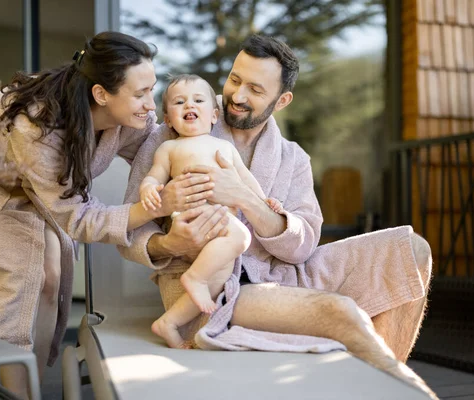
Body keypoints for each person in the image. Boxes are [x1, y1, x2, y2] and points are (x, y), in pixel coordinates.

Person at [119, 34, 436, 397]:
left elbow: (304, 243)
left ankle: (377, 388)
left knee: (412, 251)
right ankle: (404, 390)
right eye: (235, 80)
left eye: (255, 89)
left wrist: (248, 201)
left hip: (280, 273)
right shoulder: (175, 131)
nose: (237, 96)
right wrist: (167, 241)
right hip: (211, 287)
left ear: (282, 100)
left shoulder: (293, 158)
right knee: (339, 312)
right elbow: (130, 229)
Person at [0, 32, 215, 399]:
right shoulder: (36, 128)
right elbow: (79, 219)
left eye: (153, 90)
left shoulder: (125, 118)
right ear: (101, 94)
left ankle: (32, 377)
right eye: (140, 94)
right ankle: (19, 392)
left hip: (39, 186)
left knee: (53, 274)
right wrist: (158, 206)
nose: (151, 105)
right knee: (19, 282)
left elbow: (171, 136)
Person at [142, 74, 280, 348]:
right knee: (241, 237)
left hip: (218, 231)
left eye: (197, 100)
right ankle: (193, 276)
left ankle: (169, 323)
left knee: (217, 281)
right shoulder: (169, 148)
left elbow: (246, 180)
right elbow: (155, 176)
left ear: (214, 115)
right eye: (179, 102)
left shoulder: (224, 147)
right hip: (192, 221)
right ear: (168, 120)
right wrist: (148, 188)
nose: (188, 105)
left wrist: (265, 201)